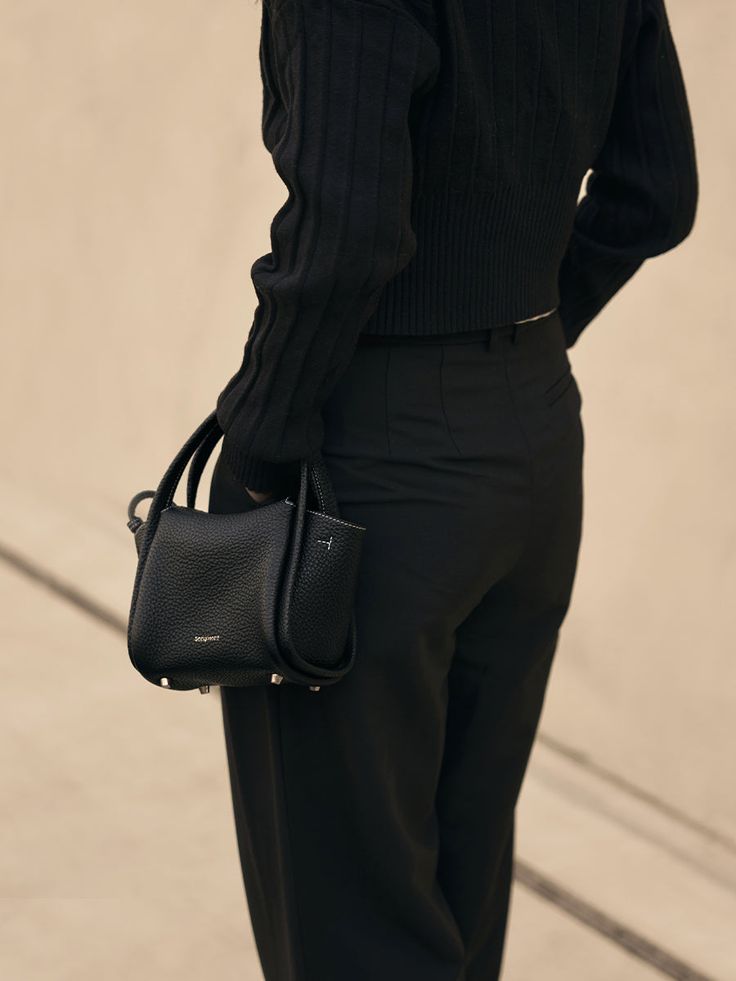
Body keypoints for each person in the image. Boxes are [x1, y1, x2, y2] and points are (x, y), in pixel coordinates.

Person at [208, 0, 698, 977]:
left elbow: (342, 232)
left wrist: (255, 446)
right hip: (536, 433)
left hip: (372, 461)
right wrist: (518, 343)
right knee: (458, 884)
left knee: (352, 918)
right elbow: (656, 193)